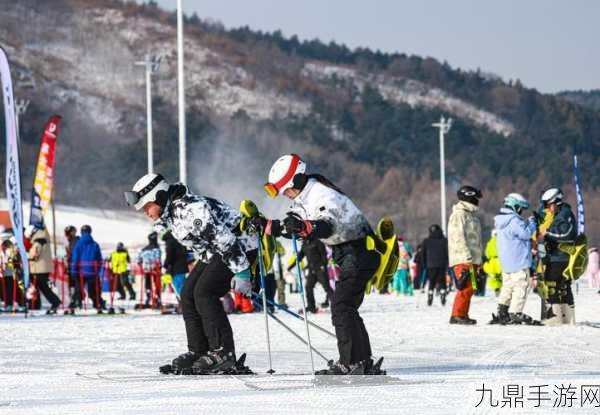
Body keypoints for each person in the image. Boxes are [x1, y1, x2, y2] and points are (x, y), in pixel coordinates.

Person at [256, 154, 381, 375]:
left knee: (341, 306)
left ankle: (351, 362)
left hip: (360, 250)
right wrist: (267, 226)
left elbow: (326, 225)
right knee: (347, 307)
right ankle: (361, 361)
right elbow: (292, 225)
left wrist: (307, 227)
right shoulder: (303, 198)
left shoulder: (322, 194)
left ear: (296, 180)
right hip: (350, 253)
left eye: (285, 190)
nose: (285, 195)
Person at [125, 173, 257, 374]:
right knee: (187, 294)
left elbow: (225, 240)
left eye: (146, 207)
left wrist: (243, 271)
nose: (146, 213)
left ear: (159, 197)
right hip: (217, 252)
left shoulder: (190, 209)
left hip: (241, 247)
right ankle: (199, 350)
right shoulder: (172, 212)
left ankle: (223, 353)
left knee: (204, 292)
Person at [492, 193, 538, 324]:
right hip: (519, 262)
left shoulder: (501, 221)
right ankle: (515, 312)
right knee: (521, 286)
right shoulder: (514, 221)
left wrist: (527, 222)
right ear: (516, 207)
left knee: (507, 286)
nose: (522, 212)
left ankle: (502, 309)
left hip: (506, 263)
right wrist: (532, 223)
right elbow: (526, 233)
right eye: (521, 209)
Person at [538, 188, 577, 325]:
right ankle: (567, 318)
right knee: (563, 285)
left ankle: (555, 317)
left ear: (555, 202)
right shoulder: (561, 214)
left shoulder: (564, 214)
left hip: (559, 257)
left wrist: (546, 233)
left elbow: (566, 234)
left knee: (551, 284)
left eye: (548, 205)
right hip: (558, 256)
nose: (547, 209)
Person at [448, 185, 483, 325]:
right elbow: (457, 237)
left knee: (472, 287)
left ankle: (463, 314)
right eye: (475, 197)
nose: (477, 200)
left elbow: (476, 239)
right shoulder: (459, 215)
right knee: (465, 287)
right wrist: (466, 256)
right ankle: (457, 315)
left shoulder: (471, 215)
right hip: (463, 258)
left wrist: (479, 259)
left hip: (473, 259)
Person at [287, 238, 332, 313]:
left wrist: (324, 266)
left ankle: (336, 305)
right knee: (308, 287)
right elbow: (299, 257)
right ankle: (311, 307)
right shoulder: (304, 245)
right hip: (312, 270)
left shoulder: (317, 241)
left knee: (327, 288)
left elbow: (324, 254)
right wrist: (290, 267)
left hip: (320, 269)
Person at [26, 225, 61, 314]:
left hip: (39, 269)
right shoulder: (44, 241)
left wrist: (27, 257)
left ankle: (55, 301)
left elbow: (34, 255)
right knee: (40, 287)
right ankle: (36, 304)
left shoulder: (38, 243)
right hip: (43, 268)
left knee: (43, 287)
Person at [70, 225, 104, 313]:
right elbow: (99, 259)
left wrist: (73, 270)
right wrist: (98, 270)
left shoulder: (78, 244)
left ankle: (77, 302)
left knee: (78, 287)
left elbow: (75, 258)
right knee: (94, 289)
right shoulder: (95, 244)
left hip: (80, 271)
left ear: (81, 232)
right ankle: (98, 303)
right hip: (92, 271)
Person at [420, 224, 448, 306]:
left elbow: (423, 253)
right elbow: (447, 252)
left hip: (430, 264)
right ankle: (443, 294)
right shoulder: (444, 240)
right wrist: (447, 262)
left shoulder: (426, 241)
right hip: (442, 264)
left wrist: (424, 263)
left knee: (432, 281)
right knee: (442, 281)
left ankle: (430, 294)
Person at [162, 230, 188, 302]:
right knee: (183, 286)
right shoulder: (178, 239)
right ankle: (185, 304)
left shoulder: (170, 242)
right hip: (181, 267)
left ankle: (185, 304)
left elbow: (169, 255)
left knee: (179, 287)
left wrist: (165, 266)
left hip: (176, 268)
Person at [137, 232, 162, 309]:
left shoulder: (144, 249)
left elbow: (139, 260)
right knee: (156, 284)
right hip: (155, 269)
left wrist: (141, 263)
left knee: (148, 283)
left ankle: (149, 296)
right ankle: (157, 298)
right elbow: (159, 259)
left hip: (146, 269)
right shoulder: (157, 249)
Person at [0, 238, 25, 312]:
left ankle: (17, 304)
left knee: (13, 289)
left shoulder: (11, 251)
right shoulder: (4, 252)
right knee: (7, 290)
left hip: (11, 274)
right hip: (6, 274)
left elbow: (13, 262)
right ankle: (9, 304)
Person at [64, 225, 82, 314]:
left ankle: (76, 301)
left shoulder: (77, 241)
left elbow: (76, 254)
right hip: (71, 265)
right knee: (72, 285)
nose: (67, 235)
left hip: (76, 265)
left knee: (77, 284)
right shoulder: (69, 242)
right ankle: (75, 300)